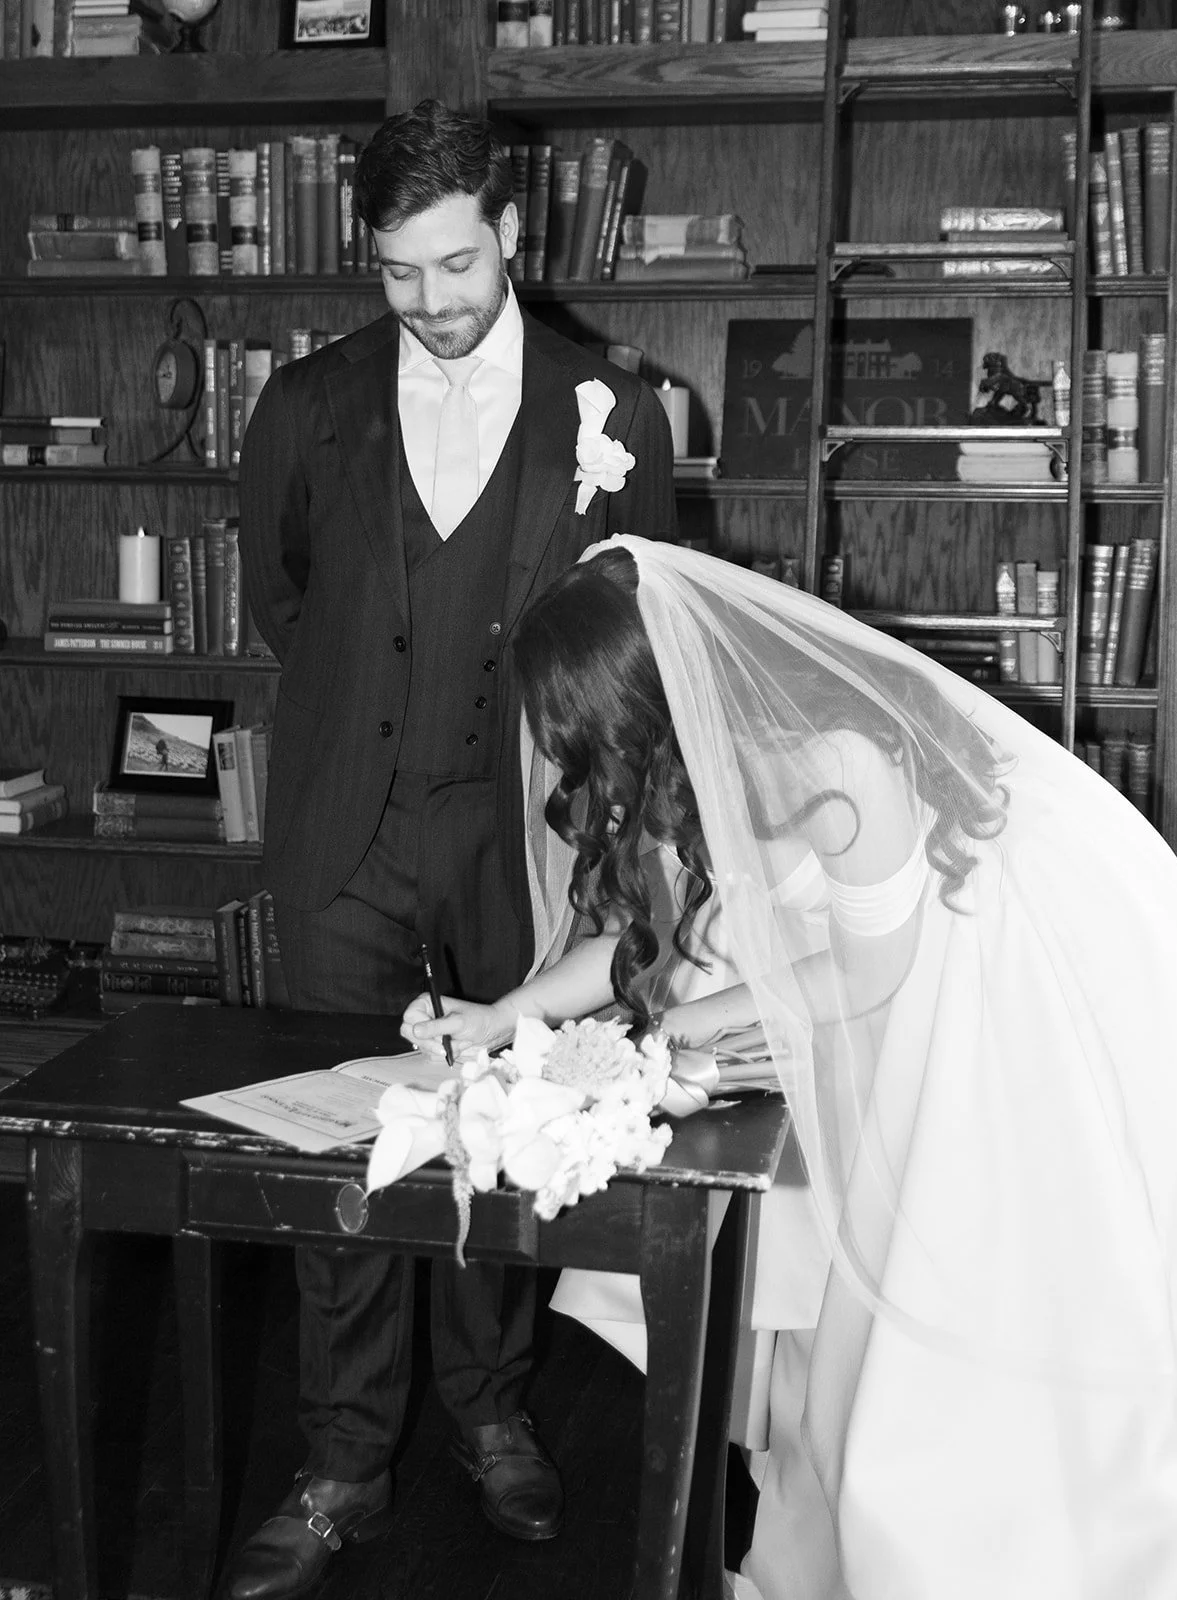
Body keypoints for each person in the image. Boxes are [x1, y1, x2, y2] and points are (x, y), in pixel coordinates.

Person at [404, 536, 1177, 1600]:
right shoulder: (692, 766)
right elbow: (654, 940)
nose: (570, 772)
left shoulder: (833, 763)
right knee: (832, 1354)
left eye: (583, 741)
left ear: (646, 706)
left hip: (983, 1007)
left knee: (934, 1345)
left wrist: (663, 1044)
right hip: (881, 1002)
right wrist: (504, 1015)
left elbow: (867, 976)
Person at [229, 100, 676, 1600]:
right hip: (342, 839)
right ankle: (346, 1460)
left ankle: (491, 1416)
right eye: (395, 273)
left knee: (511, 1130)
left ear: (510, 228)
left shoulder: (617, 408)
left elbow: (633, 635)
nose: (426, 303)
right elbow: (287, 599)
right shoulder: (304, 403)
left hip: (527, 850)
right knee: (346, 1149)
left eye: (453, 266)